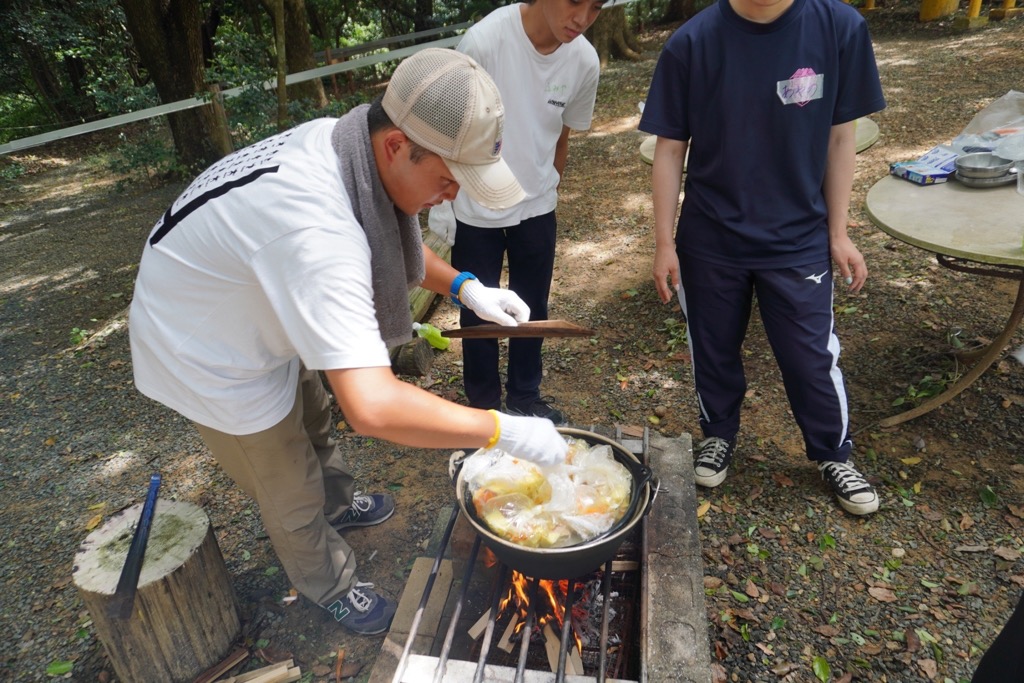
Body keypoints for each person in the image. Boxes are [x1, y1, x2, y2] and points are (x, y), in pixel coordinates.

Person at [128, 48, 570, 636]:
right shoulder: (316, 233)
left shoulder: (347, 145)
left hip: (254, 299)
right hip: (206, 347)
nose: (452, 196)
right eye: (447, 180)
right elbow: (374, 407)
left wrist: (465, 286)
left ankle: (339, 503)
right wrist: (505, 429)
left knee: (311, 414)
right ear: (395, 147)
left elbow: (393, 236)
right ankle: (327, 581)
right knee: (286, 478)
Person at [639, 0, 886, 515]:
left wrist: (837, 231)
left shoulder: (839, 28)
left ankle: (832, 453)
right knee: (713, 346)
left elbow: (842, 136)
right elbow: (669, 147)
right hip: (711, 236)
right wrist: (664, 242)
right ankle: (719, 433)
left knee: (810, 356)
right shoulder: (692, 42)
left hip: (798, 236)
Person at [430, 0, 604, 425]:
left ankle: (526, 395)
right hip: (476, 205)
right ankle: (485, 405)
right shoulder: (484, 43)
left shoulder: (583, 59)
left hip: (538, 205)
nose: (581, 18)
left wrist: (548, 188)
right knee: (477, 307)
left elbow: (561, 136)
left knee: (533, 305)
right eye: (574, 2)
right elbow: (450, 131)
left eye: (596, 7)